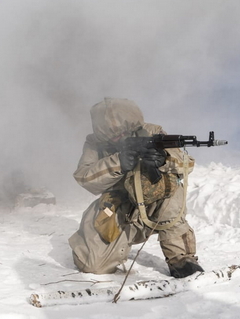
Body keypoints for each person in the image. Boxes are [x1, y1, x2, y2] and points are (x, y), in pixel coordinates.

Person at [69, 98, 203, 278]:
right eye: (112, 136)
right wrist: (118, 163)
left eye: (123, 132)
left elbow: (186, 164)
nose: (118, 137)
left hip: (154, 199)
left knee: (171, 189)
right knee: (93, 265)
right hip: (120, 204)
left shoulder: (152, 132)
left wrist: (163, 161)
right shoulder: (95, 144)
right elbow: (84, 177)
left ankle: (181, 259)